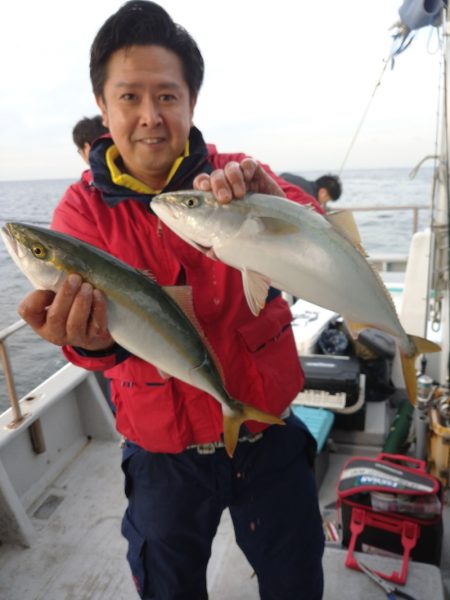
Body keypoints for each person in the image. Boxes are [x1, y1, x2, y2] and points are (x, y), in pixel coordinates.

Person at [18, 2, 324, 598]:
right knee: (168, 586)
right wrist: (87, 342)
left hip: (267, 431)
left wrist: (275, 205)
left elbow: (320, 243)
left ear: (191, 103)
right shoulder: (79, 215)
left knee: (295, 580)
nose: (150, 117)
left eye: (167, 96)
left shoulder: (240, 178)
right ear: (103, 108)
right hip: (163, 452)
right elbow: (95, 345)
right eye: (129, 97)